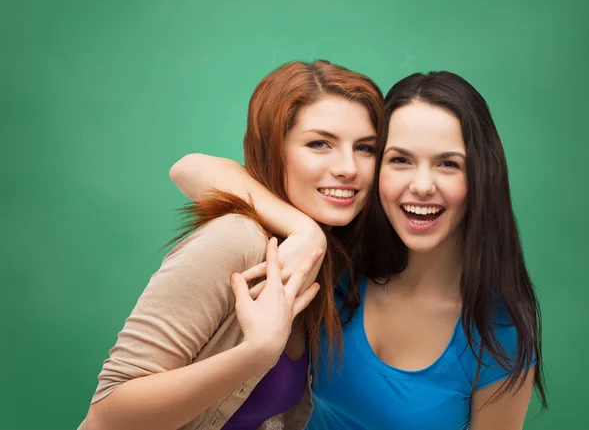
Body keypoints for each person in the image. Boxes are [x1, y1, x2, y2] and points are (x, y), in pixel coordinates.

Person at [170, 71, 546, 430]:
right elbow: (189, 169)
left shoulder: (498, 331)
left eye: (448, 164)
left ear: (483, 175)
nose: (422, 185)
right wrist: (306, 231)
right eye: (400, 160)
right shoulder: (342, 254)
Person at [78, 60, 384, 430]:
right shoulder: (236, 241)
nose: (348, 167)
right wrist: (255, 354)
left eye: (366, 148)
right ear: (274, 150)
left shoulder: (335, 265)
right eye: (319, 143)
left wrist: (310, 235)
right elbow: (107, 415)